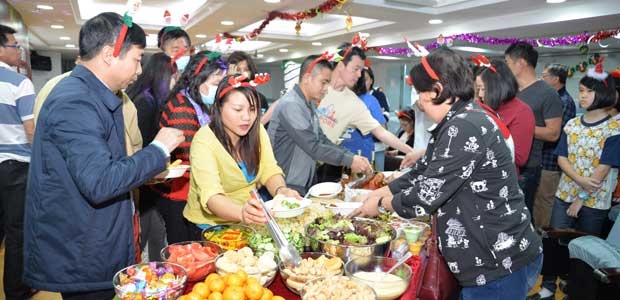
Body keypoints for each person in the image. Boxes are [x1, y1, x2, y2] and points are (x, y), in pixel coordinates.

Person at [352, 48, 542, 300]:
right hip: (492, 257)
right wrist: (381, 191)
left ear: (438, 90)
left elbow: (425, 195)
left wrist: (381, 204)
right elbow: (423, 170)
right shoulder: (457, 120)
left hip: (496, 261)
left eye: (421, 92)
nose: (418, 101)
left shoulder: (464, 126)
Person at [23, 12, 184, 298]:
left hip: (96, 241)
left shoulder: (95, 95)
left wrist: (144, 172)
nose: (138, 70)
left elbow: (104, 167)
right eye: (136, 59)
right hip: (83, 249)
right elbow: (100, 182)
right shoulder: (75, 100)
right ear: (110, 54)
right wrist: (158, 150)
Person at [534, 64, 620, 300]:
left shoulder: (614, 126)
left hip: (593, 201)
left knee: (583, 251)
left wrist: (581, 198)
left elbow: (603, 171)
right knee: (554, 243)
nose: (582, 95)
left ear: (604, 94)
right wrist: (579, 180)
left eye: (588, 91)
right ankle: (548, 287)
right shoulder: (572, 124)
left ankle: (576, 291)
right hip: (565, 194)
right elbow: (562, 158)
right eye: (581, 90)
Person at [184, 74, 301, 236]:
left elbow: (269, 169)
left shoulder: (257, 131)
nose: (247, 117)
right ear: (218, 108)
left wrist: (281, 191)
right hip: (211, 226)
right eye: (238, 109)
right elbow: (211, 196)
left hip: (247, 222)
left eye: (252, 110)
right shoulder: (204, 141)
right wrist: (241, 213)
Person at [268, 54, 372, 194]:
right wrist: (349, 160)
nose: (326, 88)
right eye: (323, 82)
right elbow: (313, 146)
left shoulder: (307, 103)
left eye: (328, 83)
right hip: (286, 183)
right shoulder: (292, 105)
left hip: (301, 180)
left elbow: (321, 139)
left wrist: (352, 156)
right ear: (306, 78)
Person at [155, 50, 227, 244]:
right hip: (180, 194)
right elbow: (190, 154)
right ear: (197, 80)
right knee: (185, 251)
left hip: (190, 190)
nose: (219, 89)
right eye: (215, 84)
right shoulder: (182, 108)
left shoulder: (197, 102)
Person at [316, 43, 415, 180]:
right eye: (356, 69)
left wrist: (411, 151)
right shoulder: (318, 84)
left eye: (361, 70)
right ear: (340, 65)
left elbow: (380, 132)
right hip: (293, 153)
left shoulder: (353, 102)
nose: (359, 75)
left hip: (321, 163)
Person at [126, 52, 179, 261]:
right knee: (146, 234)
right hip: (144, 177)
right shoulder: (146, 102)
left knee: (154, 234)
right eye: (172, 77)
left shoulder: (148, 99)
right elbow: (144, 143)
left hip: (148, 176)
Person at [505, 42, 563, 221]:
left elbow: (553, 133)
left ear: (521, 63)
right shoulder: (509, 90)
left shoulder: (547, 94)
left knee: (521, 215)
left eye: (507, 62)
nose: (505, 67)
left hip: (527, 166)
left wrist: (520, 127)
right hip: (504, 160)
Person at [0, 24, 35, 300]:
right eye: (13, 45)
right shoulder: (18, 82)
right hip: (16, 166)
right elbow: (31, 130)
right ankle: (16, 292)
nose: (18, 49)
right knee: (17, 232)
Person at [532, 63, 577, 228]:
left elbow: (553, 135)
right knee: (538, 198)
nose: (541, 79)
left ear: (556, 79)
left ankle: (544, 234)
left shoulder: (563, 101)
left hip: (550, 160)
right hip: (542, 158)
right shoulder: (553, 97)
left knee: (545, 199)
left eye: (544, 76)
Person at [475, 59, 535, 173]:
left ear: (499, 87)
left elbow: (519, 158)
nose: (480, 94)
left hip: (501, 177)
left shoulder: (522, 112)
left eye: (484, 89)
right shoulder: (479, 106)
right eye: (478, 89)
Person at [341, 67, 387, 160]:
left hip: (360, 154)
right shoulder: (369, 100)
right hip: (342, 153)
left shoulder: (370, 100)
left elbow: (381, 130)